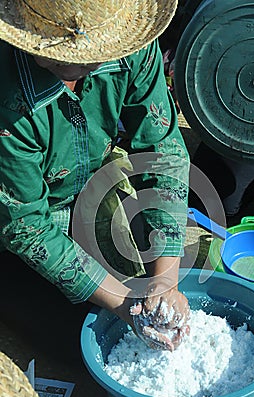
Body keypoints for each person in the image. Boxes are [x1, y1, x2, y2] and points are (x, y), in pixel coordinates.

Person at [0, 0, 191, 358]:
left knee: (142, 282)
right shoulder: (9, 101)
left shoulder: (132, 50)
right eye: (48, 51)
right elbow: (25, 226)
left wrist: (165, 280)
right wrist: (125, 306)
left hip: (87, 192)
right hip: (13, 221)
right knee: (83, 341)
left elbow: (161, 150)